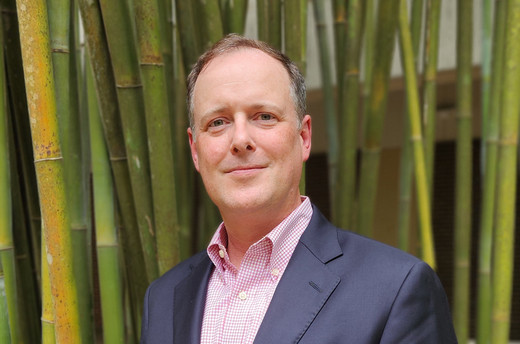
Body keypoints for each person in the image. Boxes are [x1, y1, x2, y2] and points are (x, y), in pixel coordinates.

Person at [140, 34, 457, 344]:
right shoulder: (164, 297)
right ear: (196, 150)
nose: (239, 140)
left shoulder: (394, 289)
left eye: (264, 116)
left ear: (304, 137)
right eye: (218, 123)